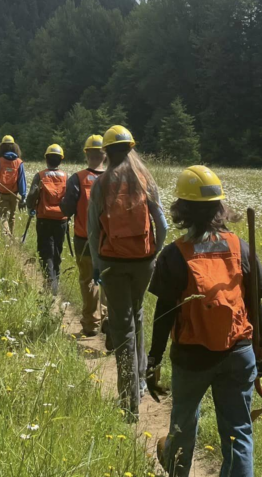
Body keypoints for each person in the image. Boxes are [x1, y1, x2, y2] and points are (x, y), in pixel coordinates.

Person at [147, 165, 262, 477]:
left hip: (191, 355)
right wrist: (261, 350)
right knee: (239, 432)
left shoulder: (174, 255)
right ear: (220, 208)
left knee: (183, 425)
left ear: (181, 210)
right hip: (240, 351)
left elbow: (165, 313)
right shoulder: (241, 247)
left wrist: (154, 358)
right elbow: (256, 303)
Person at [87, 125, 168, 419]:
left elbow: (94, 230)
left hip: (112, 263)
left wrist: (97, 266)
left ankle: (128, 399)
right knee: (138, 316)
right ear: (131, 148)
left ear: (106, 152)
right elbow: (164, 225)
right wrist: (153, 253)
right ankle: (141, 384)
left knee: (122, 327)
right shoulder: (145, 179)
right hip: (143, 261)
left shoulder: (102, 183)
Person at [60, 134, 107, 337]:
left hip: (84, 239)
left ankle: (91, 323)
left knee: (88, 280)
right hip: (111, 242)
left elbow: (66, 209)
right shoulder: (113, 177)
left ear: (86, 153)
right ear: (104, 155)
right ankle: (107, 318)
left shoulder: (77, 178)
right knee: (108, 279)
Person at [25, 144, 69, 294]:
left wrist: (29, 206)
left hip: (44, 219)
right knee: (57, 250)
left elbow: (32, 195)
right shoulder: (66, 177)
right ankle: (55, 278)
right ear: (60, 160)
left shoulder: (40, 175)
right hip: (61, 220)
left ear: (46, 159)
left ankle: (50, 282)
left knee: (45, 251)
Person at [0, 135, 27, 236]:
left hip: (1, 193)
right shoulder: (19, 162)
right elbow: (22, 180)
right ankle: (11, 236)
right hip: (14, 194)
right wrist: (23, 196)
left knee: (3, 217)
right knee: (12, 216)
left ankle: (8, 237)